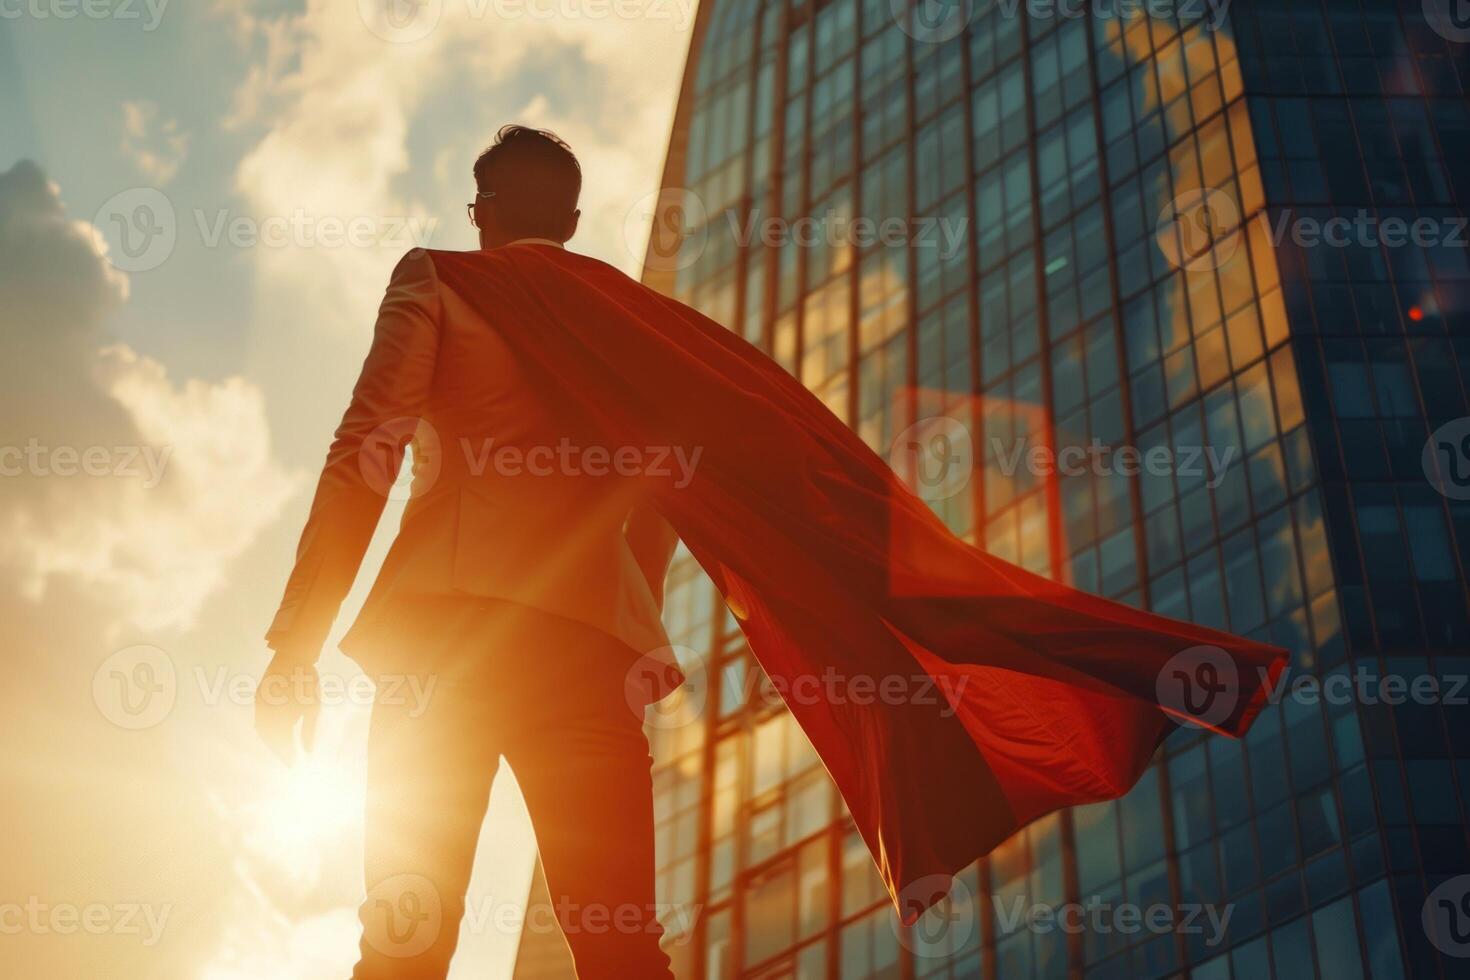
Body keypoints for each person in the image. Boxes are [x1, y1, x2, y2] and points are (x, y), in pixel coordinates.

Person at [256, 125, 680, 979]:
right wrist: (624, 603)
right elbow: (668, 488)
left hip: (441, 642)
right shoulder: (629, 321)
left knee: (406, 936)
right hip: (586, 655)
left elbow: (368, 450)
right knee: (621, 947)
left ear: (481, 212)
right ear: (571, 218)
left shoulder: (440, 278)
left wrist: (296, 639)